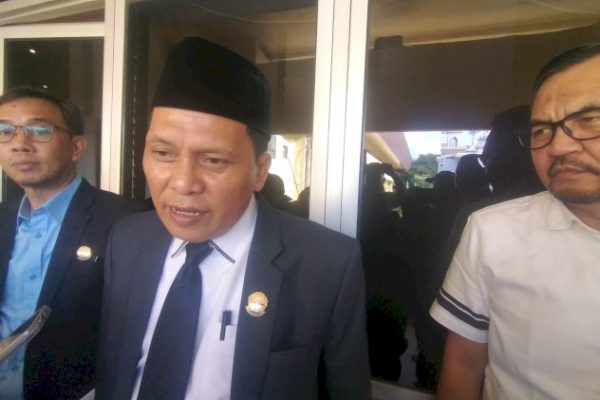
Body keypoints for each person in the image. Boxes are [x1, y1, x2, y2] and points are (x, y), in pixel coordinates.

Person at [96, 37, 370, 400]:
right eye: (163, 153)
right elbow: (114, 363)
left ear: (260, 171)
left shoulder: (325, 263)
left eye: (213, 161)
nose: (183, 183)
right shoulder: (128, 240)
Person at [430, 42, 600, 399]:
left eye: (590, 120)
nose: (558, 147)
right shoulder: (493, 231)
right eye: (541, 131)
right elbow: (462, 363)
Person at [0, 86, 144, 400]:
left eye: (39, 131)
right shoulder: (3, 218)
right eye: (5, 131)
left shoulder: (127, 222)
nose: (20, 144)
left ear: (77, 147)